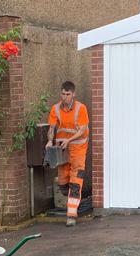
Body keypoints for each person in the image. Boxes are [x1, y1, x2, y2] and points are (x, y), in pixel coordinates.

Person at [46, 81, 90, 226]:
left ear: (73, 94)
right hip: (63, 150)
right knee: (63, 182)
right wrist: (50, 141)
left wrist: (69, 140)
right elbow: (52, 128)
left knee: (75, 182)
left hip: (78, 148)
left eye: (68, 94)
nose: (65, 97)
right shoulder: (55, 108)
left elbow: (82, 130)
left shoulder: (81, 108)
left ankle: (71, 215)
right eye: (63, 94)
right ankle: (76, 201)